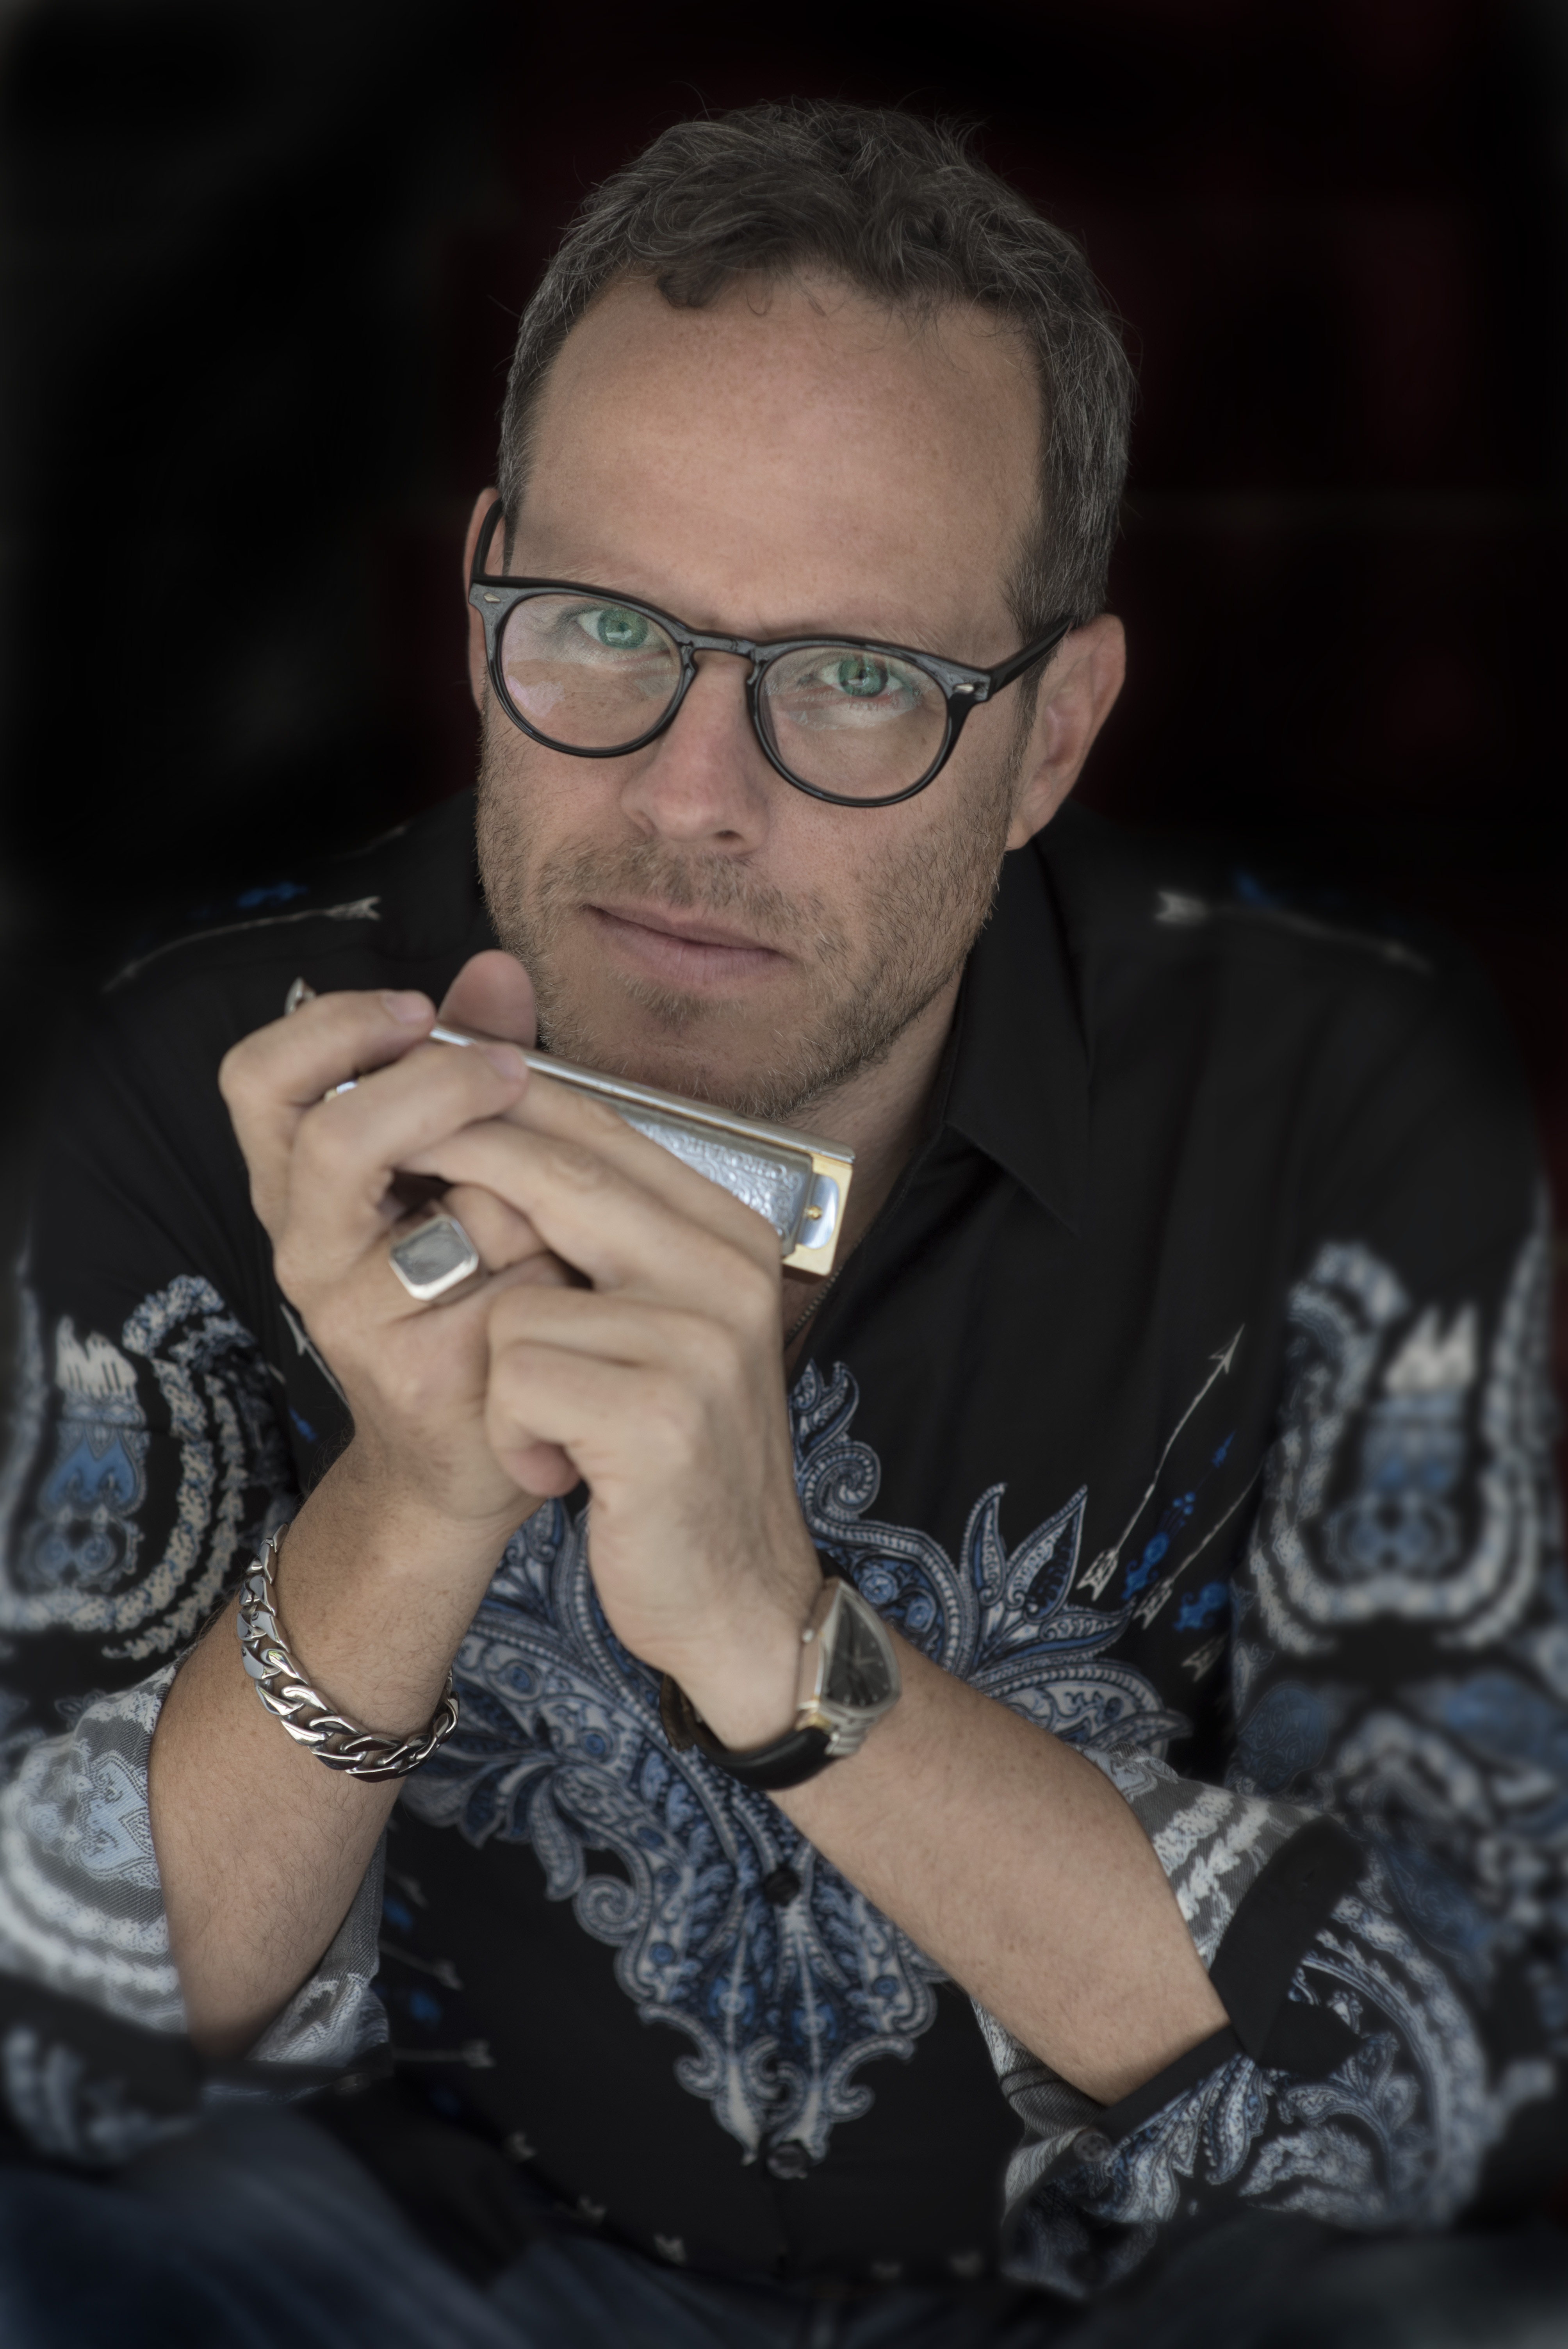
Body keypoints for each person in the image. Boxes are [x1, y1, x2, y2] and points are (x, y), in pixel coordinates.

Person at [1, 100, 1565, 2349]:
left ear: (1052, 739)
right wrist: (408, 1509)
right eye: (601, 627)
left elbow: (1460, 2078)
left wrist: (786, 1648)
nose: (688, 796)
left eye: (855, 681)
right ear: (479, 599)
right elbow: (60, 2051)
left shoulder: (1335, 1093)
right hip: (437, 2282)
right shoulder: (211, 1065)